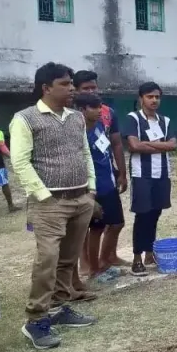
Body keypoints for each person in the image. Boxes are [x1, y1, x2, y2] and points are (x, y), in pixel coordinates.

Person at [11, 62, 98, 350]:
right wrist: (44, 196)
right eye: (64, 84)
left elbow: (85, 153)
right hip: (49, 202)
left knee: (67, 259)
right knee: (47, 259)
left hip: (81, 198)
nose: (71, 88)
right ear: (46, 88)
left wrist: (91, 189)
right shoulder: (25, 119)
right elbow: (20, 162)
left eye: (71, 83)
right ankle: (36, 319)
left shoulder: (76, 118)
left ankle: (59, 307)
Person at [72, 70, 129, 268]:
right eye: (85, 88)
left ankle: (106, 258)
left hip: (107, 178)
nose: (91, 91)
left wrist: (121, 173)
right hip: (87, 184)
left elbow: (115, 144)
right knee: (88, 226)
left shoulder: (105, 116)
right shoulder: (73, 123)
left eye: (93, 87)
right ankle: (87, 264)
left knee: (113, 222)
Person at [121, 82, 176, 277]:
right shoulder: (133, 118)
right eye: (150, 96)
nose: (154, 100)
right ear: (141, 98)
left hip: (162, 174)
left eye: (157, 97)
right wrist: (161, 145)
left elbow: (173, 145)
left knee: (155, 214)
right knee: (142, 215)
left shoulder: (165, 121)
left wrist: (146, 143)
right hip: (142, 175)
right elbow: (134, 146)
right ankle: (137, 257)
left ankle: (150, 254)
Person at [68, 93, 121, 285]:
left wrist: (117, 173)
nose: (99, 111)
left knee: (117, 223)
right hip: (93, 188)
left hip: (109, 184)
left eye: (100, 107)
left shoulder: (100, 126)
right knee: (96, 229)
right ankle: (93, 269)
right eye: (94, 107)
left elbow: (107, 151)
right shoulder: (77, 133)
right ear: (82, 110)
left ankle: (104, 261)